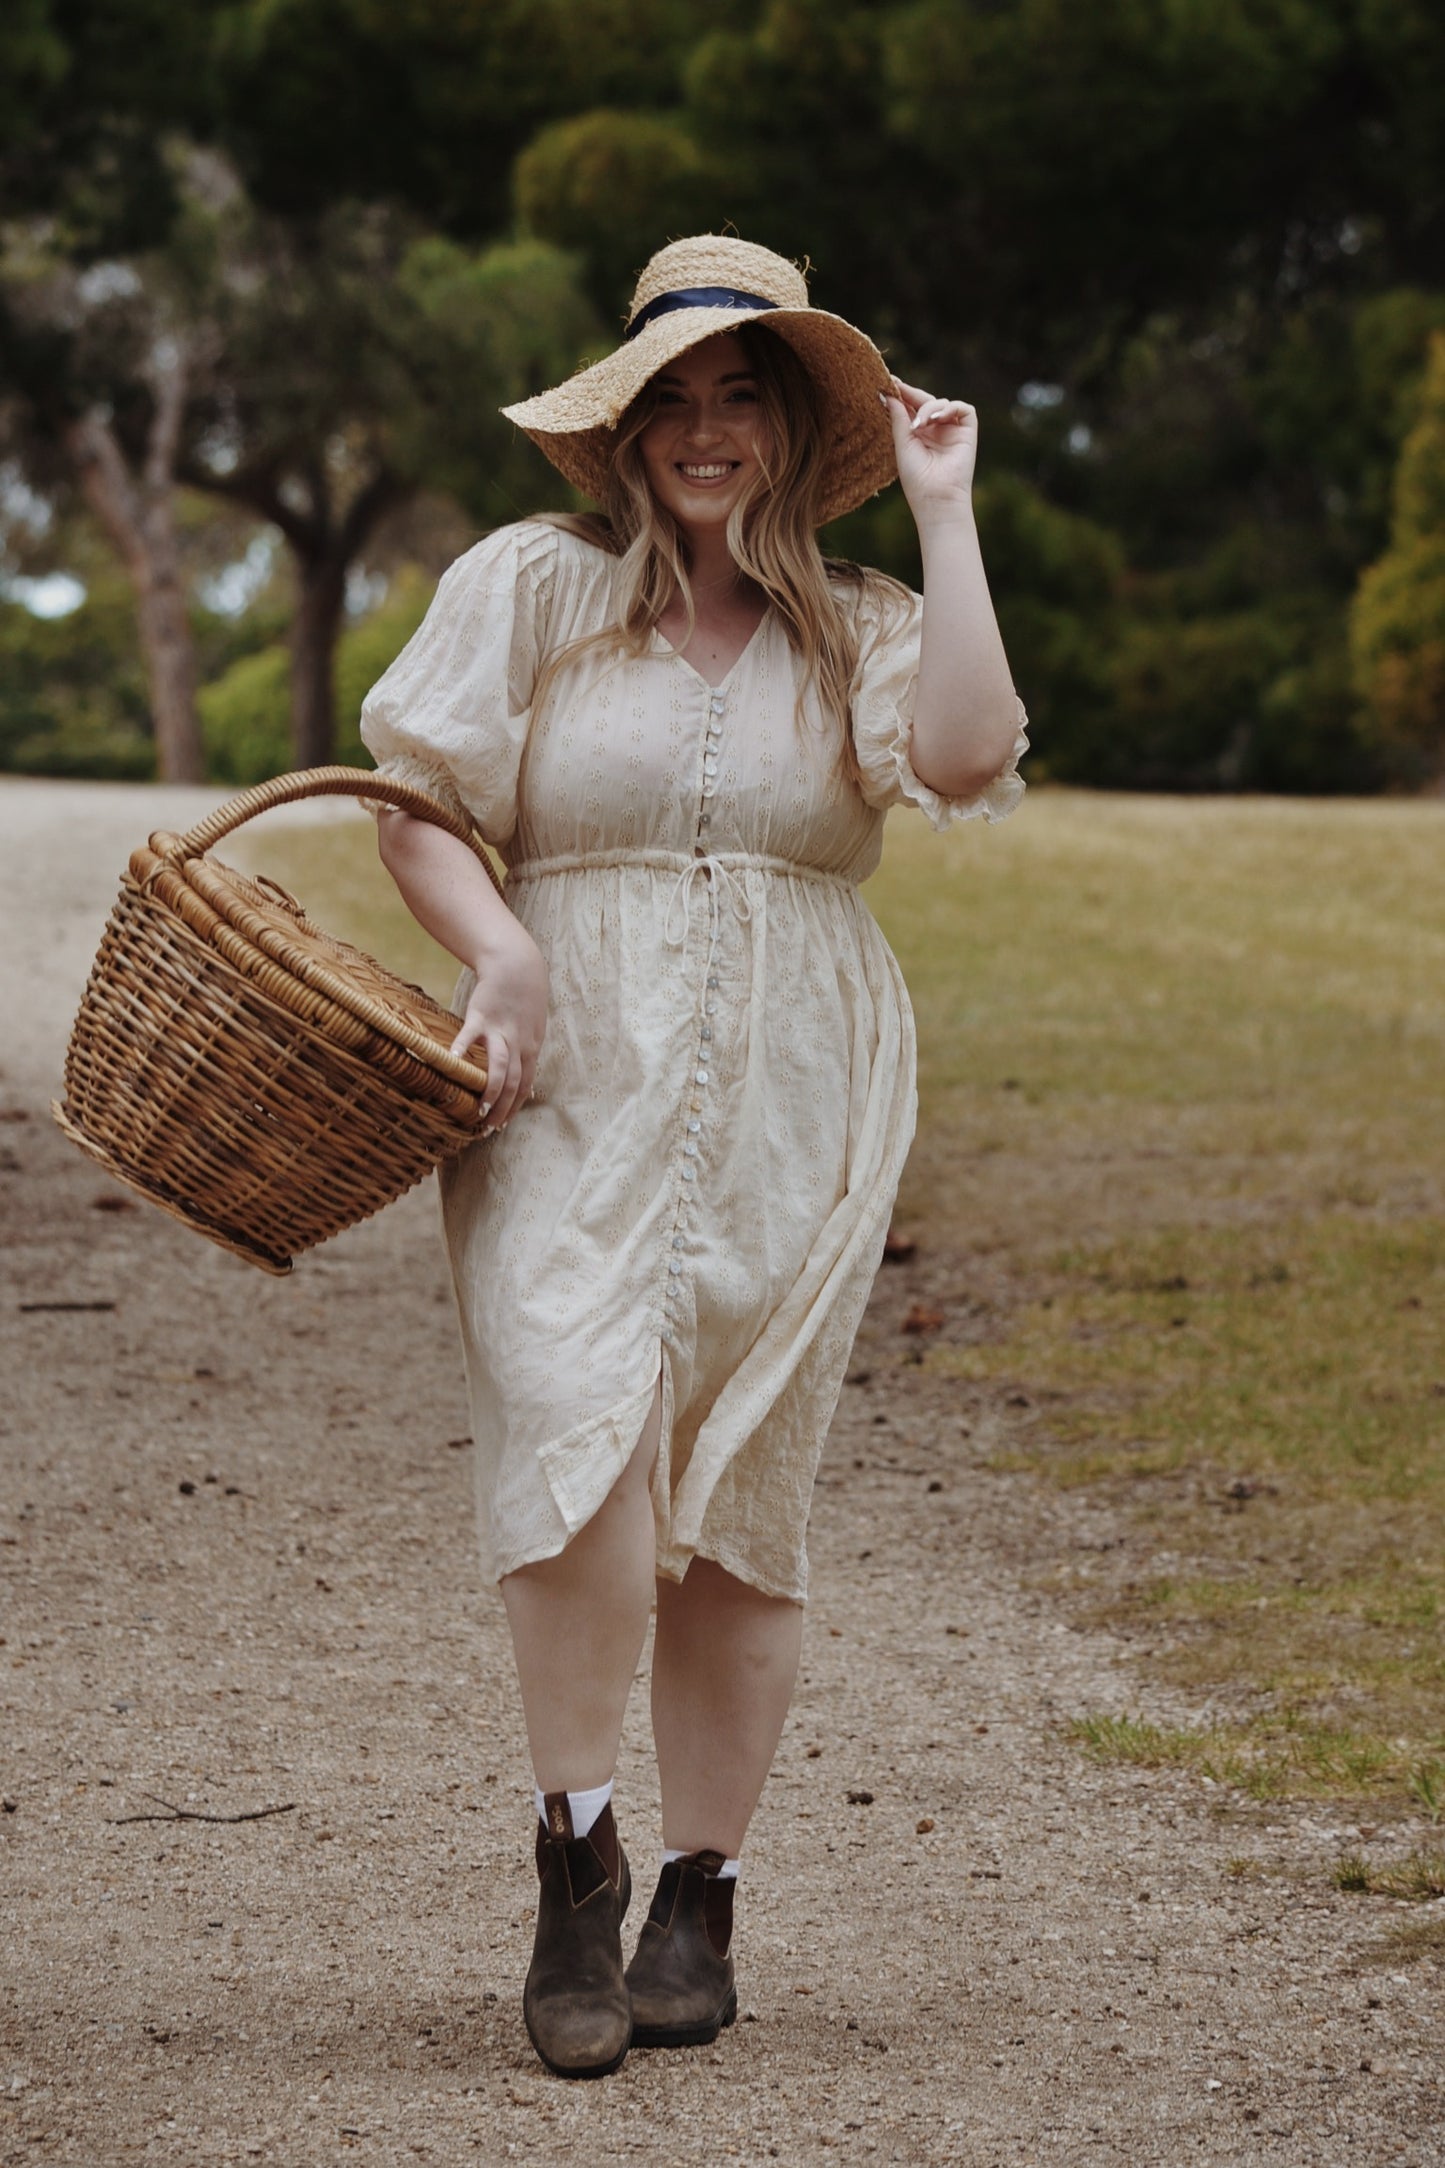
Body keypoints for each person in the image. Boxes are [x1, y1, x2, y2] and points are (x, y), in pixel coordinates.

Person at [359, 235, 1027, 2079]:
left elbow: (964, 761)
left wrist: (950, 514)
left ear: (796, 428)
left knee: (742, 1491)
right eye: (676, 399)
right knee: (576, 1434)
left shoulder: (866, 619)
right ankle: (576, 1859)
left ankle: (701, 1898)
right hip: (570, 1062)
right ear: (626, 425)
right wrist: (500, 953)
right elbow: (419, 804)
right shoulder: (527, 588)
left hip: (802, 1086)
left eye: (744, 397)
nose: (707, 430)